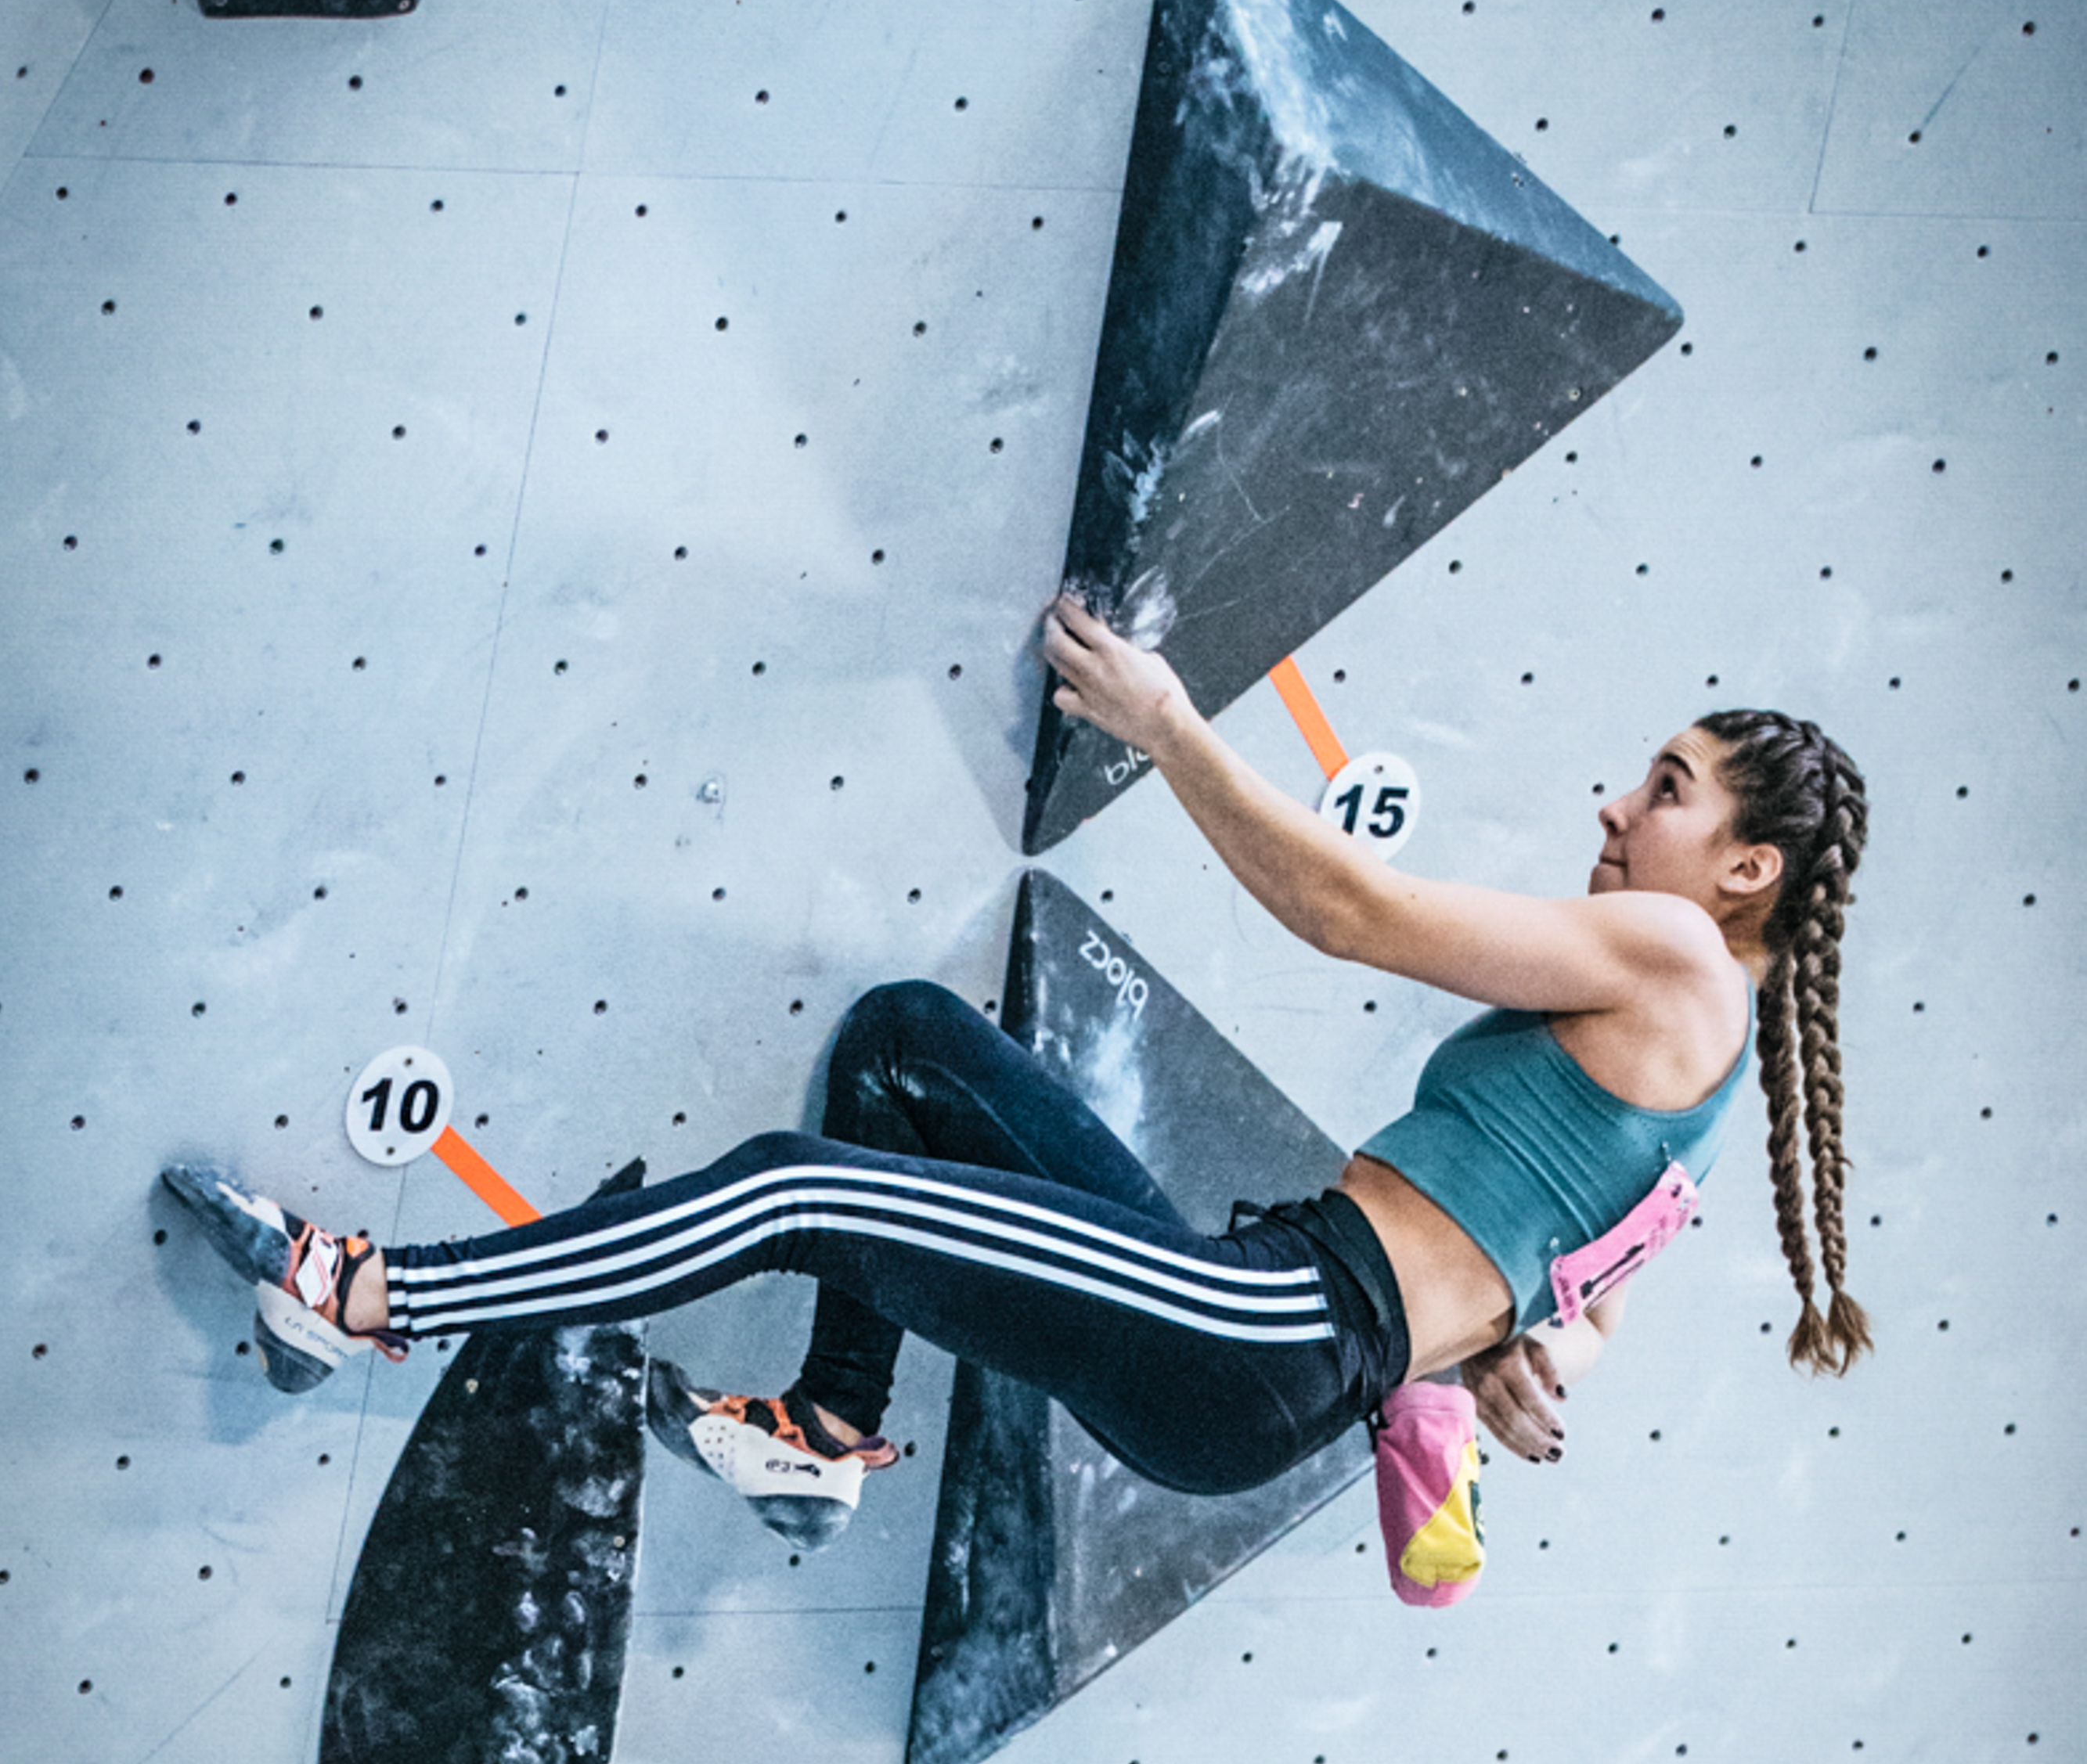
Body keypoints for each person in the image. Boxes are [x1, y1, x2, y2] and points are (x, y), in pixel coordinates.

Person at [162, 596, 1870, 1561]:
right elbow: (1561, 1338)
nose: (1615, 808)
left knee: (797, 1186)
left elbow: (1351, 909)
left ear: (1742, 873)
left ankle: (370, 1292)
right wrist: (1497, 1352)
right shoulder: (1703, 1087)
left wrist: (1169, 724)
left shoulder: (1675, 960)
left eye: (1664, 789)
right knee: (905, 1045)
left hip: (1271, 1329)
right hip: (1273, 1315)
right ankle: (827, 1426)